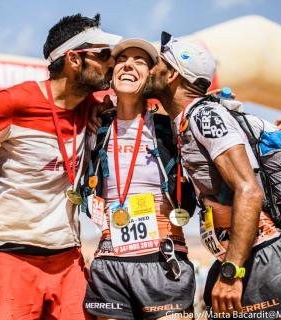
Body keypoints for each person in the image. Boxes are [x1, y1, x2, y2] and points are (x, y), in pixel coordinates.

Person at [0, 13, 122, 320]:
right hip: (10, 255)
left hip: (67, 259)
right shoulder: (15, 102)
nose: (112, 63)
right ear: (74, 60)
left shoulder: (95, 107)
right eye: (103, 55)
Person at [144, 31, 281, 319]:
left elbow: (249, 189)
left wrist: (231, 272)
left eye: (157, 64)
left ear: (173, 74)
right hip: (244, 256)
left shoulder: (204, 116)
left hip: (258, 259)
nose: (151, 70)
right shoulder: (185, 121)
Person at [81, 39, 195, 320]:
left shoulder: (170, 128)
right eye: (122, 59)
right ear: (112, 72)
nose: (129, 64)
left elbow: (220, 132)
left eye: (140, 60)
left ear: (151, 75)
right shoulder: (94, 126)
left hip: (164, 259)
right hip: (111, 263)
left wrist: (272, 134)